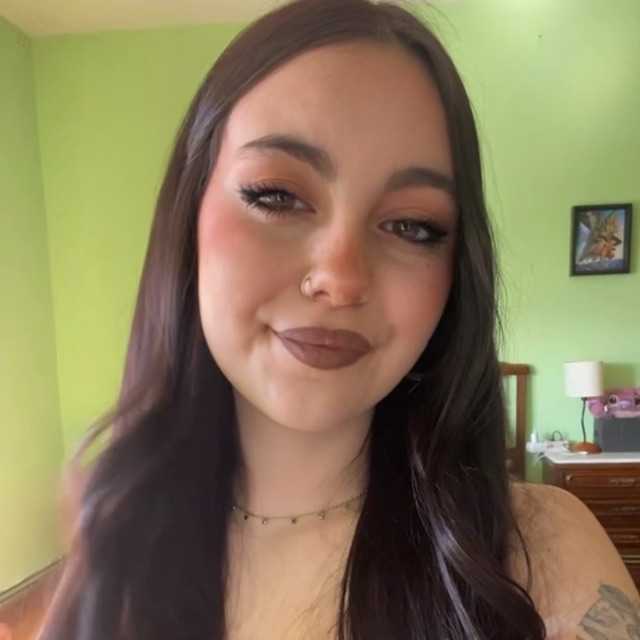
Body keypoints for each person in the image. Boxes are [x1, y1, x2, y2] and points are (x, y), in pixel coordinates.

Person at [38, 0, 639, 638]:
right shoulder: (119, 540)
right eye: (277, 195)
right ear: (189, 213)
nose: (342, 278)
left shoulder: (542, 556)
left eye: (412, 225)